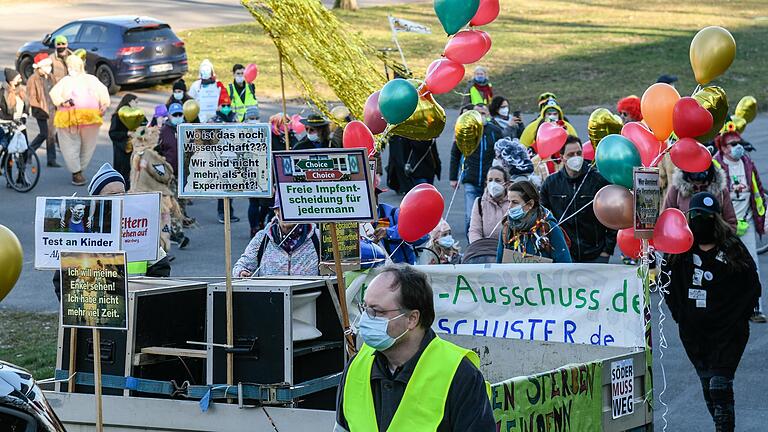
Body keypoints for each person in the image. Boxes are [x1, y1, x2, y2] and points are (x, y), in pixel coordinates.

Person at [335, 264, 495, 432]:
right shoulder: (357, 366)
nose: (365, 319)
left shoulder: (460, 374)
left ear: (412, 319)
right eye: (365, 308)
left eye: (377, 312)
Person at [662, 192, 760, 432]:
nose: (701, 220)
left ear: (716, 218)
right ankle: (721, 422)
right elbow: (667, 284)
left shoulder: (732, 249)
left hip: (728, 335)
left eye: (706, 216)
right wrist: (681, 315)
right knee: (709, 388)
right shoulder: (680, 251)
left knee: (720, 386)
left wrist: (736, 318)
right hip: (695, 335)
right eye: (696, 215)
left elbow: (752, 286)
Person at [713, 131, 767, 322]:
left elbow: (757, 190)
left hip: (748, 220)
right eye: (733, 144)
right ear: (723, 147)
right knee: (724, 266)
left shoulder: (747, 163)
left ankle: (755, 308)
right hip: (725, 224)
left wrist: (762, 217)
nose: (738, 147)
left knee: (752, 264)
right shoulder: (716, 165)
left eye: (739, 142)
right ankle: (728, 309)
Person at [540, 136, 617, 263]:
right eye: (570, 154)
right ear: (562, 158)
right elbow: (543, 218)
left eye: (579, 153)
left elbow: (612, 215)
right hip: (565, 254)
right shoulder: (550, 184)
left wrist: (607, 250)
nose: (576, 157)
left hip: (595, 254)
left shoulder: (598, 179)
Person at [49, 55, 110, 186]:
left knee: (88, 146)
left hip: (90, 119)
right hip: (69, 118)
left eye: (74, 66)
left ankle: (80, 168)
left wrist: (104, 105)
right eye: (69, 66)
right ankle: (76, 172)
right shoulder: (65, 81)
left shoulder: (91, 79)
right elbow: (54, 93)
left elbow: (103, 92)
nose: (72, 69)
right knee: (70, 145)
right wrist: (62, 102)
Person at [449, 104, 503, 234]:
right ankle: (471, 247)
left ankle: (483, 244)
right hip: (470, 179)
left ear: (488, 115)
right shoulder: (466, 130)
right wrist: (453, 177)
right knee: (470, 216)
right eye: (478, 113)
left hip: (489, 182)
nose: (481, 116)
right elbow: (455, 154)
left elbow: (501, 153)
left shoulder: (495, 131)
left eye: (484, 113)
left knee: (488, 217)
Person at [232, 204, 320, 277]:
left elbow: (331, 267)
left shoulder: (316, 236)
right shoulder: (263, 237)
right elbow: (242, 265)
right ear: (276, 211)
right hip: (271, 295)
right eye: (283, 209)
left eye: (291, 210)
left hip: (310, 294)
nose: (287, 215)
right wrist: (241, 272)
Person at [497, 180, 571, 263]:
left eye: (515, 202)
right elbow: (499, 264)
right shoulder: (507, 228)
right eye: (509, 201)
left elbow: (565, 265)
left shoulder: (549, 228)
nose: (509, 207)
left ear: (530, 204)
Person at [663, 164, 737, 231]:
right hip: (686, 242)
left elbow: (731, 222)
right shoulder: (676, 190)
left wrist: (722, 240)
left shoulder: (721, 190)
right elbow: (666, 222)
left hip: (715, 242)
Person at [373, 183, 429, 265]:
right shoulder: (352, 220)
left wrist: (390, 232)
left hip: (401, 271)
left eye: (371, 196)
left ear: (376, 197)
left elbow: (423, 235)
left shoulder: (392, 213)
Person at [26, 53, 60, 167]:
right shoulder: (33, 79)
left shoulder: (51, 76)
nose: (48, 68)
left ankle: (51, 160)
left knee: (51, 134)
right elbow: (31, 97)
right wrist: (38, 108)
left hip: (52, 109)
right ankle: (29, 152)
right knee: (44, 133)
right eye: (45, 66)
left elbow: (56, 91)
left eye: (49, 65)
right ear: (39, 67)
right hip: (41, 111)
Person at [109, 94, 146, 188]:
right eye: (136, 102)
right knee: (122, 173)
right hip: (122, 150)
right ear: (129, 102)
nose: (137, 104)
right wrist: (126, 133)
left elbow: (145, 127)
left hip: (136, 149)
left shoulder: (139, 115)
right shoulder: (117, 116)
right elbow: (113, 133)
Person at [468, 166, 510, 243]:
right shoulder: (479, 202)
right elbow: (474, 231)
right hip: (485, 249)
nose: (493, 184)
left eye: (497, 180)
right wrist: (479, 247)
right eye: (490, 180)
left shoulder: (513, 202)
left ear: (506, 184)